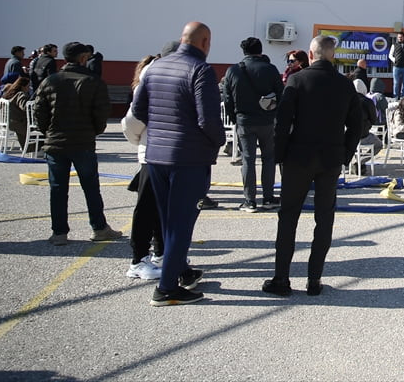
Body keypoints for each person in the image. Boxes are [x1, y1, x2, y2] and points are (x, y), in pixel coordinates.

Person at [131, 22, 225, 306]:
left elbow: (138, 110)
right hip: (188, 159)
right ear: (205, 42)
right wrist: (217, 142)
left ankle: (179, 271)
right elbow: (207, 119)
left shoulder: (156, 67)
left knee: (168, 219)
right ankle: (167, 287)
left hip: (156, 156)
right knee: (181, 225)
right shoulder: (201, 70)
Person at [265, 35, 364, 297]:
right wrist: (345, 152)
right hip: (330, 158)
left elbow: (282, 122)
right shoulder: (345, 85)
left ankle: (282, 278)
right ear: (333, 55)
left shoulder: (297, 80)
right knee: (324, 218)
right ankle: (314, 279)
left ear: (311, 54)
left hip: (298, 156)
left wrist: (280, 155)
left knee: (288, 217)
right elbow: (358, 125)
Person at [34, 41, 122, 248]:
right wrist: (94, 131)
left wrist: (49, 132)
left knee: (57, 189)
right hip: (83, 142)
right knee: (91, 187)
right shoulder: (93, 81)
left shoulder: (50, 81)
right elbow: (102, 113)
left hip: (56, 142)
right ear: (83, 58)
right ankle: (99, 228)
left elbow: (39, 112)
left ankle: (59, 233)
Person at [221, 37, 284, 212]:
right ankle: (269, 197)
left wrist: (234, 118)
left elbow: (227, 98)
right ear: (261, 50)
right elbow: (281, 93)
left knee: (248, 159)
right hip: (267, 120)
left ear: (244, 52)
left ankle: (249, 200)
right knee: (269, 159)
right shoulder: (270, 69)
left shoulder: (233, 70)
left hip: (244, 120)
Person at [122, 54, 165, 281]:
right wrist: (142, 142)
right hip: (151, 155)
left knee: (161, 210)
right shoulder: (151, 80)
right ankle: (138, 260)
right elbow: (133, 121)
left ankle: (161, 252)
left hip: (164, 155)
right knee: (146, 209)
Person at [0, 74, 30, 149]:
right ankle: (34, 148)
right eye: (28, 86)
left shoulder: (8, 93)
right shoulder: (20, 94)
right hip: (17, 123)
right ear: (23, 86)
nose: (29, 88)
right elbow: (25, 107)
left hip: (8, 122)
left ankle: (28, 148)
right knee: (40, 127)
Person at [389, 32, 404, 97]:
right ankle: (395, 96)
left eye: (401, 37)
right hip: (396, 67)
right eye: (399, 37)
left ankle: (403, 96)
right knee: (396, 83)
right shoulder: (394, 45)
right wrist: (394, 60)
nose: (400, 38)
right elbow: (390, 55)